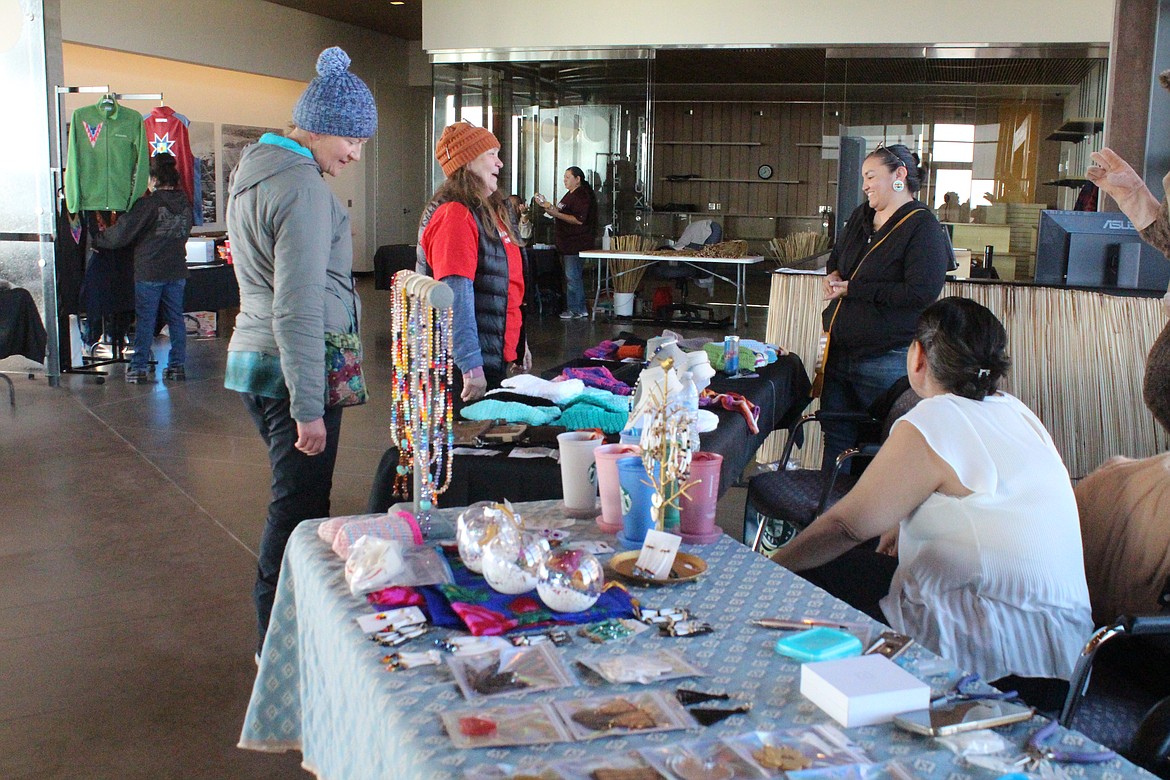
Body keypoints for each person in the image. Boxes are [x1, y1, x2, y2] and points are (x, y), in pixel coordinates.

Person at [774, 297, 1094, 702]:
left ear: (918, 356)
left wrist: (768, 569)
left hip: (996, 655)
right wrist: (899, 522)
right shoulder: (1016, 413)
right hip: (1066, 657)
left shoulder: (934, 418)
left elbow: (845, 526)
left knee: (810, 575)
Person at [223, 46, 377, 653]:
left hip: (259, 361)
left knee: (299, 500)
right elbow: (298, 304)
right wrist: (309, 406)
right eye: (353, 140)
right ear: (320, 127)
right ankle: (278, 642)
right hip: (296, 372)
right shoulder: (303, 189)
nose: (356, 155)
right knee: (299, 508)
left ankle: (282, 632)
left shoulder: (257, 172)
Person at [819, 143, 952, 470]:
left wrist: (854, 289)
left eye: (871, 176)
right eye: (864, 177)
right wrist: (833, 274)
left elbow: (920, 292)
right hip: (837, 351)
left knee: (882, 443)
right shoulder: (860, 216)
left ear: (900, 176)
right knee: (835, 434)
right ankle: (831, 512)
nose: (864, 185)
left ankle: (871, 517)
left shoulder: (923, 228)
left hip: (886, 357)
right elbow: (837, 259)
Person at [418, 121, 528, 403]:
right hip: (467, 368)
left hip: (495, 356)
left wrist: (518, 343)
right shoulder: (456, 215)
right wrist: (470, 365)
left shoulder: (492, 211)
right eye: (491, 153)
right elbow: (456, 297)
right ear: (467, 162)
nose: (500, 163)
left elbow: (509, 288)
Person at [91, 153, 193, 383]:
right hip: (177, 269)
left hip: (150, 271)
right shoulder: (185, 203)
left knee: (146, 319)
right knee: (176, 319)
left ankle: (138, 368)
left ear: (154, 178)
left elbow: (122, 233)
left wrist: (98, 239)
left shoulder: (149, 205)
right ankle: (177, 366)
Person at [535, 166, 597, 319]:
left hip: (575, 243)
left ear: (578, 179)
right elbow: (561, 212)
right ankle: (574, 307)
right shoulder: (570, 195)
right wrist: (547, 206)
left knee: (573, 277)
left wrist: (556, 213)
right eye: (564, 177)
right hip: (566, 243)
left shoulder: (582, 195)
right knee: (571, 276)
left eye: (568, 177)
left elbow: (578, 220)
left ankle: (578, 308)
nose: (565, 180)